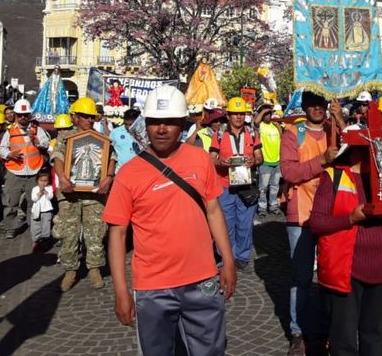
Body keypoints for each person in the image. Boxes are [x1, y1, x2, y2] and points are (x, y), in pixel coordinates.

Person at [103, 85, 235, 355]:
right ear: (146, 124)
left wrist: (228, 260)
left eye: (170, 122)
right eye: (154, 122)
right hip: (153, 287)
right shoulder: (128, 174)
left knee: (210, 351)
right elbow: (117, 234)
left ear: (182, 124)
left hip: (203, 281)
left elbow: (213, 210)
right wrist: (121, 291)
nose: (161, 129)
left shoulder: (200, 160)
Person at [309, 126, 382, 356]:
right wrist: (351, 218)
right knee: (343, 338)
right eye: (368, 149)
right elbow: (317, 223)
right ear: (354, 150)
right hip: (347, 269)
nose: (374, 155)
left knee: (375, 334)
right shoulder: (334, 177)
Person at [280, 91, 343, 356]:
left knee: (332, 275)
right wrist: (321, 161)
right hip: (302, 214)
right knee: (302, 277)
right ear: (304, 107)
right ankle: (297, 332)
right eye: (312, 104)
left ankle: (331, 329)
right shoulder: (293, 134)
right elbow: (290, 172)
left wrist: (340, 120)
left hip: (333, 212)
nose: (317, 108)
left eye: (321, 104)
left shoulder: (334, 130)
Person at [52, 96, 116, 292]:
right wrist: (62, 178)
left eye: (92, 117)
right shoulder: (65, 137)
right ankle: (70, 270)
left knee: (96, 232)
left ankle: (94, 269)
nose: (90, 120)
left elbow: (111, 158)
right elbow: (58, 157)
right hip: (69, 192)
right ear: (75, 117)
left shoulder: (102, 139)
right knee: (68, 232)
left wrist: (108, 177)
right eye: (85, 116)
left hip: (94, 193)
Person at [209, 97, 263, 271]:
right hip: (224, 186)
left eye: (241, 113)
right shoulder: (219, 134)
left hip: (246, 186)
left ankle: (242, 257)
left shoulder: (252, 133)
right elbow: (211, 160)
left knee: (245, 224)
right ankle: (227, 257)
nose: (239, 117)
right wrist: (221, 162)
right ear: (228, 115)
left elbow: (260, 157)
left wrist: (253, 161)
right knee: (225, 224)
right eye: (235, 114)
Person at [0, 98, 50, 239]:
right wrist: (9, 154)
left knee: (34, 202)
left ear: (29, 115)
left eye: (25, 114)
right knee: (11, 203)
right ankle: (10, 228)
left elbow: (46, 145)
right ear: (16, 115)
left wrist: (38, 142)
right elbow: (1, 149)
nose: (23, 117)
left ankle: (34, 227)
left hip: (33, 172)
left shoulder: (37, 130)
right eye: (20, 115)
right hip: (14, 171)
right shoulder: (10, 131)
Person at [256, 102, 283, 216]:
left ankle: (273, 206)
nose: (269, 115)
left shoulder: (275, 125)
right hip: (265, 162)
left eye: (270, 113)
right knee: (263, 188)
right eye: (266, 113)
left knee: (275, 187)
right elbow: (255, 122)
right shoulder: (260, 126)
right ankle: (262, 208)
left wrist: (278, 127)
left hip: (276, 162)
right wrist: (263, 110)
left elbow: (282, 139)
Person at [30, 168, 54, 252]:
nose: (43, 183)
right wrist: (39, 193)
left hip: (47, 210)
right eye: (41, 181)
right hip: (36, 211)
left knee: (46, 226)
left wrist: (46, 192)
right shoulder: (35, 189)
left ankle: (45, 241)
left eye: (45, 181)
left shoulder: (49, 188)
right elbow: (34, 199)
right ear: (37, 181)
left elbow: (50, 197)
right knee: (35, 226)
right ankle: (35, 240)